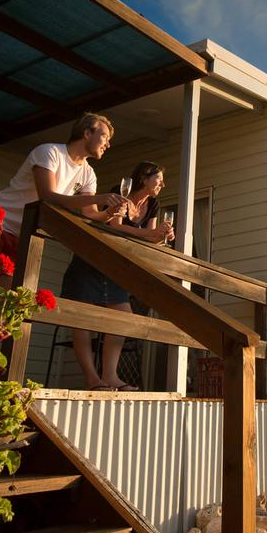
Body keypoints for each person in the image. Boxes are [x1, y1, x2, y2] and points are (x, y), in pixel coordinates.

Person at [0, 113, 124, 340]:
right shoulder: (49, 152)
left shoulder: (88, 173)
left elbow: (90, 214)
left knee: (16, 300)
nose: (108, 144)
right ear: (87, 133)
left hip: (19, 238)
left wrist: (108, 212)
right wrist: (100, 198)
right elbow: (48, 196)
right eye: (105, 136)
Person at [61, 161, 173, 391]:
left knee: (124, 318)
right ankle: (92, 378)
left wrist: (161, 235)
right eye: (159, 179)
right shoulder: (119, 191)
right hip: (91, 259)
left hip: (116, 266)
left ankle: (110, 376)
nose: (163, 183)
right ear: (143, 178)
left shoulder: (152, 204)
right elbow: (114, 225)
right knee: (82, 318)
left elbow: (147, 238)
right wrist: (148, 233)